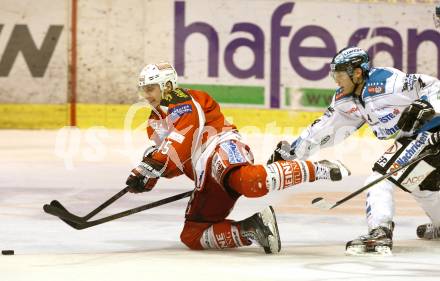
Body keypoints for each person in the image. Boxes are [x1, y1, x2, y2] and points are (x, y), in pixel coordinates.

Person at [125, 62, 350, 254]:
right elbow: (175, 159)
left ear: (167, 86)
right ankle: (254, 228)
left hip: (219, 147)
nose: (146, 95)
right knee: (193, 235)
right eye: (144, 89)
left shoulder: (183, 99)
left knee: (251, 183)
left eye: (151, 88)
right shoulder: (153, 123)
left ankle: (318, 169)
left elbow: (182, 137)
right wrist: (151, 175)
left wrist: (151, 166)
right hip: (204, 173)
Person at [268, 46, 440, 255]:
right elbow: (324, 129)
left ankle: (380, 233)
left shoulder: (388, 81)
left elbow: (433, 86)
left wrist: (426, 104)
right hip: (415, 139)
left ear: (357, 72)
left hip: (431, 132)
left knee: (380, 179)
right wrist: (293, 154)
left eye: (340, 74)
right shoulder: (347, 100)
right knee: (424, 186)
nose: (336, 80)